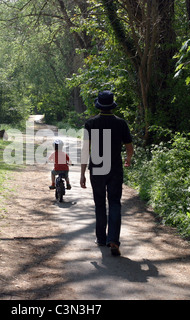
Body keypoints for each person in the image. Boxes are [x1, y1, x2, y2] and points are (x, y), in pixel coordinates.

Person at [80, 91, 134, 256]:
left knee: (100, 204)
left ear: (98, 105)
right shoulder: (121, 123)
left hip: (97, 169)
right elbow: (129, 148)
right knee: (115, 203)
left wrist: (82, 173)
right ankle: (114, 240)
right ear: (112, 105)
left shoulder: (90, 124)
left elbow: (85, 150)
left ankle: (101, 238)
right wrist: (128, 159)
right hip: (115, 169)